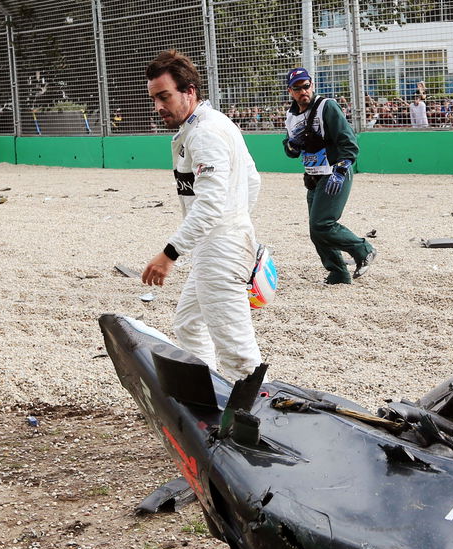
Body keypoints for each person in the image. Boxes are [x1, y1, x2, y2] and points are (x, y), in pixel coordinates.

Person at [141, 50, 263, 382]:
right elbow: (252, 180)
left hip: (221, 249)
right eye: (154, 98)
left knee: (238, 353)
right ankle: (210, 395)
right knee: (188, 325)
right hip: (220, 243)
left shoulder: (205, 133)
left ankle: (263, 424)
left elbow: (209, 205)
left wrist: (169, 255)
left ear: (189, 91)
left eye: (164, 97)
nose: (158, 107)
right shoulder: (212, 124)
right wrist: (236, 222)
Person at [282, 67, 376, 285]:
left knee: (323, 224)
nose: (303, 91)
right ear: (290, 91)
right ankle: (338, 273)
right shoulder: (291, 116)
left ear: (312, 85)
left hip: (334, 174)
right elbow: (288, 150)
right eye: (297, 88)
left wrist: (341, 169)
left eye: (306, 86)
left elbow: (349, 142)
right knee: (316, 231)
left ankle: (364, 249)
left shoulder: (327, 106)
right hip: (313, 178)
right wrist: (292, 146)